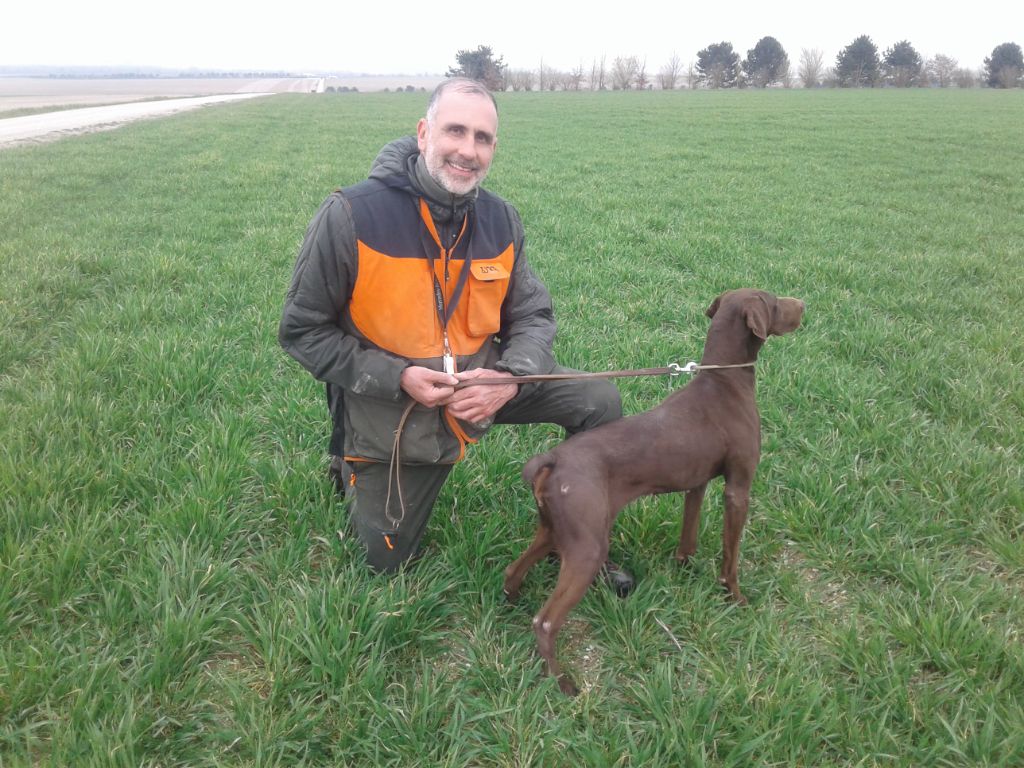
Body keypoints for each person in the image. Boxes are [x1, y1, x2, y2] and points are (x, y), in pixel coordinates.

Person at [279, 78, 633, 595]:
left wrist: (511, 376)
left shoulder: (500, 220)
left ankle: (582, 537)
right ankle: (349, 464)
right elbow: (302, 330)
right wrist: (399, 376)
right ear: (424, 133)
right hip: (396, 402)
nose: (469, 150)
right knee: (386, 561)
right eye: (455, 131)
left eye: (482, 138)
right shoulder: (351, 215)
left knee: (599, 400)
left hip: (484, 380)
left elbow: (532, 315)